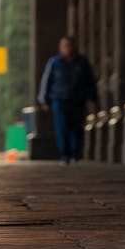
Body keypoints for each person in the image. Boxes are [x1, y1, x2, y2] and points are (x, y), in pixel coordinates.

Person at [38, 36, 99, 165]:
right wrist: (44, 100)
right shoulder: (54, 62)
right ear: (60, 48)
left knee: (77, 128)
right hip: (59, 100)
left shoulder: (82, 62)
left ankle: (75, 154)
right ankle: (65, 155)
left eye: (69, 45)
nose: (67, 48)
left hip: (78, 100)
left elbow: (90, 82)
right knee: (62, 128)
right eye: (64, 46)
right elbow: (46, 81)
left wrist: (93, 98)